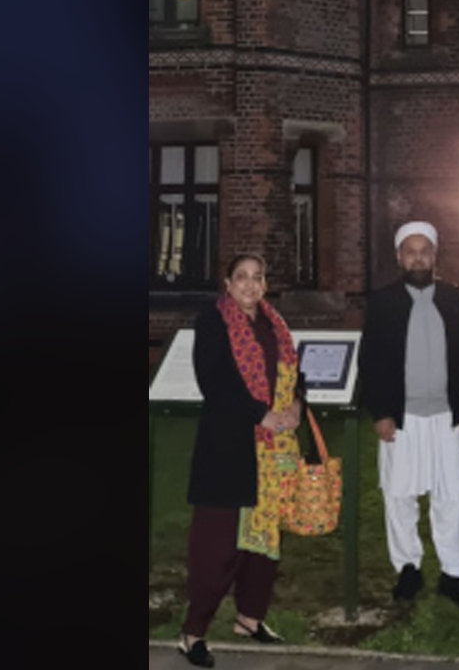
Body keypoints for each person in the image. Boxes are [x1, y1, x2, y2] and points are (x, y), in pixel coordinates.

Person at [178, 253, 308, 667]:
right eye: (242, 278)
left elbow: (294, 375)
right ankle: (192, 632)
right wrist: (262, 415)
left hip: (273, 454)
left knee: (264, 541)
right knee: (216, 546)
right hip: (228, 450)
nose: (250, 285)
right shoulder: (214, 321)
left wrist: (297, 408)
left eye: (257, 278)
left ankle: (250, 617)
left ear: (264, 284)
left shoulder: (275, 325)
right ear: (228, 284)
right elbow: (213, 380)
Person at [357, 220, 459, 609]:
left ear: (434, 255)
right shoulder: (382, 304)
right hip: (402, 417)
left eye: (424, 250)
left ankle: (455, 573)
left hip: (446, 414)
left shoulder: (455, 300)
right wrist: (381, 411)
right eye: (410, 251)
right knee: (399, 495)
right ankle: (408, 568)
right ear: (399, 256)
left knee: (450, 495)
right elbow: (372, 364)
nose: (418, 257)